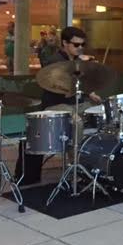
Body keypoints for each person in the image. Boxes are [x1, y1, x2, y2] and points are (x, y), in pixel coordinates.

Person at [15, 26, 102, 185]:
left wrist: (90, 93)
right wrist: (78, 65)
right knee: (76, 122)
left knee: (104, 113)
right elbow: (62, 82)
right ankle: (75, 167)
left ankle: (103, 159)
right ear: (65, 43)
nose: (80, 48)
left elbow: (79, 84)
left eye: (82, 45)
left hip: (76, 102)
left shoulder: (76, 60)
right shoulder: (55, 60)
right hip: (56, 104)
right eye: (76, 45)